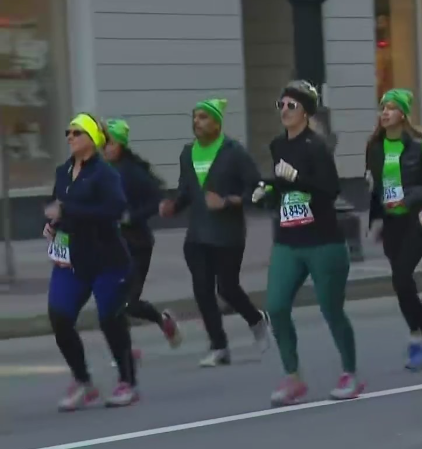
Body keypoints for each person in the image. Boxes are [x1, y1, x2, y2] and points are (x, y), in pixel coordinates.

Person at [253, 80, 364, 406]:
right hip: (289, 239)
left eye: (292, 106)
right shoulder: (277, 146)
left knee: (331, 309)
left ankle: (350, 373)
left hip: (322, 241)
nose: (285, 111)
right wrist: (268, 194)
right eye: (281, 105)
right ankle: (293, 377)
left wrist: (295, 179)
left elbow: (329, 190)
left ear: (305, 112)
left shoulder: (316, 147)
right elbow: (285, 190)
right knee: (275, 305)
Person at [159, 98, 272, 367]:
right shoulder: (188, 153)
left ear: (217, 123)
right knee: (202, 290)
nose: (197, 122)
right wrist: (173, 206)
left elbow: (260, 190)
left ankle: (256, 320)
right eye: (195, 117)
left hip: (228, 233)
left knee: (228, 288)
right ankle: (219, 346)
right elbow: (187, 191)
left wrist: (229, 201)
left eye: (204, 117)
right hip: (197, 235)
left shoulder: (234, 152)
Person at [47, 113, 139, 410]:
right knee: (59, 317)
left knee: (109, 319)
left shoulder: (105, 174)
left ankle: (128, 382)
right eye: (68, 132)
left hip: (106, 259)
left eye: (76, 132)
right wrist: (51, 224)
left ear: (92, 139)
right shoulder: (63, 171)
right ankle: (84, 382)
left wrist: (67, 211)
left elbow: (114, 210)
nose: (70, 137)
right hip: (72, 259)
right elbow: (56, 206)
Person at [366, 88, 422, 371]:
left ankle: (420, 337)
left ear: (403, 114)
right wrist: (374, 220)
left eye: (391, 108)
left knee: (401, 276)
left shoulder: (421, 145)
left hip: (416, 219)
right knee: (402, 283)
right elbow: (375, 187)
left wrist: (411, 201)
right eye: (382, 108)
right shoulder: (374, 147)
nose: (384, 113)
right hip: (391, 222)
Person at [103, 119, 181, 348]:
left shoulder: (133, 171)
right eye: (103, 143)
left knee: (128, 303)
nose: (105, 148)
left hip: (137, 246)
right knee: (112, 301)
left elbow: (157, 199)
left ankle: (163, 321)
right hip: (113, 246)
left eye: (110, 143)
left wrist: (131, 217)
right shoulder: (103, 170)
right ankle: (125, 350)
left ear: (120, 144)